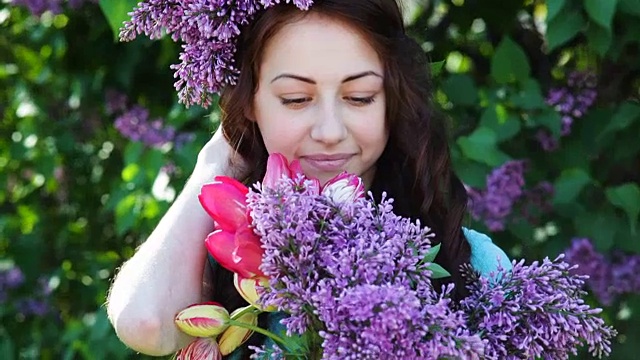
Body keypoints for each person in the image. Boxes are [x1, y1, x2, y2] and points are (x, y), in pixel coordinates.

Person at [106, 0, 511, 358]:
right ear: (249, 102)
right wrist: (218, 158)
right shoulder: (214, 267)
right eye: (296, 99)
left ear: (393, 101)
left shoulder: (471, 266)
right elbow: (146, 324)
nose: (330, 131)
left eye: (360, 97)